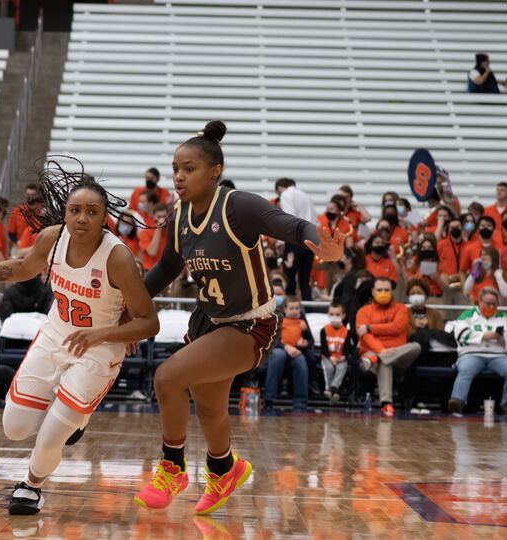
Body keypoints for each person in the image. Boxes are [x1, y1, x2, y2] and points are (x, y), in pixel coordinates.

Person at [122, 121, 342, 514]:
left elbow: (289, 225)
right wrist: (131, 302)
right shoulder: (179, 215)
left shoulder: (238, 205)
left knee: (167, 377)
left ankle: (172, 468)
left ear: (214, 170)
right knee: (209, 407)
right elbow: (168, 267)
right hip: (208, 322)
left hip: (248, 324)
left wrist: (319, 241)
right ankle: (224, 468)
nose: (178, 177)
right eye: (175, 168)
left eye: (188, 168)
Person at [0, 162, 160, 516]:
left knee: (51, 434)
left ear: (105, 218)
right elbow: (21, 268)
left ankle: (31, 486)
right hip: (56, 335)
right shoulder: (51, 238)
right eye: (75, 210)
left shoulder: (117, 257)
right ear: (65, 213)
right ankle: (73, 414)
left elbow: (150, 323)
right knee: (15, 428)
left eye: (92, 212)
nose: (82, 218)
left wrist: (104, 332)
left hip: (99, 348)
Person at [356, 277, 422, 416]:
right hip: (371, 352)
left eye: (386, 290)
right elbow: (365, 337)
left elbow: (396, 328)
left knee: (416, 346)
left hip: (394, 354)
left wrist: (370, 327)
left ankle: (378, 358)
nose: (383, 293)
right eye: (379, 290)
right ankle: (386, 403)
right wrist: (382, 351)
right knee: (385, 363)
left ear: (392, 292)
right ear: (373, 292)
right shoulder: (363, 311)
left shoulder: (401, 308)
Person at [448, 287, 507, 415]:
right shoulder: (467, 314)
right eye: (487, 303)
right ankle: (457, 401)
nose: (491, 306)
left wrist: (503, 340)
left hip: (498, 355)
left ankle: (506, 404)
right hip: (471, 354)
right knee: (466, 368)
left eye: (494, 304)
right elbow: (460, 334)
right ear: (479, 301)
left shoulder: (505, 318)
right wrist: (486, 336)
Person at [261, 296, 312, 410]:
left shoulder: (302, 321)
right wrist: (286, 347)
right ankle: (269, 399)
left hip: (296, 350)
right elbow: (272, 341)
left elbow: (310, 342)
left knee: (301, 360)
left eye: (297, 308)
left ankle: (301, 401)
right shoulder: (278, 319)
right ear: (284, 309)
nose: (295, 311)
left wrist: (305, 340)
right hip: (279, 348)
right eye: (292, 308)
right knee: (278, 355)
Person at [275, 177, 317, 301]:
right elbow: (314, 220)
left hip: (295, 240)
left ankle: (289, 306)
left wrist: (281, 240)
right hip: (309, 241)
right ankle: (309, 309)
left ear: (280, 188)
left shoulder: (286, 195)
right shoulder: (306, 196)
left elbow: (289, 219)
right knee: (305, 279)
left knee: (290, 277)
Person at [320, 302, 351, 404]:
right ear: (328, 315)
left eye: (337, 315)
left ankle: (331, 389)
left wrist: (343, 357)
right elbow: (323, 347)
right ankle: (332, 390)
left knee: (342, 367)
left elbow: (347, 348)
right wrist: (330, 357)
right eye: (332, 314)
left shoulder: (346, 331)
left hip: (340, 357)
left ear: (343, 316)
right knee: (328, 368)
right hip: (327, 357)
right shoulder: (324, 330)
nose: (334, 317)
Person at [7, 184, 40, 251]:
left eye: (33, 195)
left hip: (36, 248)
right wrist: (18, 242)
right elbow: (11, 233)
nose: (30, 198)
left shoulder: (42, 213)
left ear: (38, 196)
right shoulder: (17, 211)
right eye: (28, 195)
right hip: (19, 247)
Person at [138, 203, 169, 272]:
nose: (162, 219)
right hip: (150, 270)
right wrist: (158, 229)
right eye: (159, 217)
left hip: (167, 270)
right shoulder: (145, 233)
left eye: (164, 216)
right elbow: (152, 252)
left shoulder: (171, 232)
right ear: (154, 217)